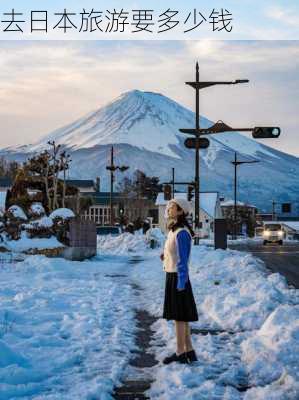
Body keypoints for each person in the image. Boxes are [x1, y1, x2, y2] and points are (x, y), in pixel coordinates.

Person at [160, 198, 198, 364]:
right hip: (172, 275)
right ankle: (189, 350)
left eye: (172, 207)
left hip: (178, 277)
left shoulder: (182, 232)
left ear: (181, 211)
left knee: (179, 317)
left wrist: (181, 282)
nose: (168, 209)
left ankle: (180, 352)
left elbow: (183, 260)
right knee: (181, 316)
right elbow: (174, 253)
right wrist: (166, 256)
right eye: (168, 207)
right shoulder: (174, 230)